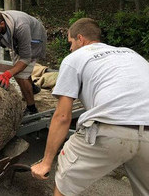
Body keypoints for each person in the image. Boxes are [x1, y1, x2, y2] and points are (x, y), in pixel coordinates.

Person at [31, 18, 149, 196]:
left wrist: (46, 162)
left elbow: (63, 116)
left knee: (65, 180)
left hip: (111, 127)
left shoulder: (74, 58)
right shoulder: (131, 53)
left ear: (81, 38)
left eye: (71, 43)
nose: (70, 48)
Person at [0, 8, 47, 115]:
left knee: (20, 74)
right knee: (17, 70)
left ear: (1, 24)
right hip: (14, 42)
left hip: (33, 40)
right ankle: (31, 87)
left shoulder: (21, 26)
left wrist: (8, 74)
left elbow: (25, 58)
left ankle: (32, 108)